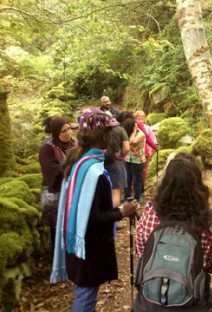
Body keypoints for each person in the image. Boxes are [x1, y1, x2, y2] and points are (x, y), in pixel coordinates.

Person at [50, 109, 138, 312]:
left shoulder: (78, 162)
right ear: (103, 135)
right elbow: (92, 218)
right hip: (89, 248)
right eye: (109, 131)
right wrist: (121, 212)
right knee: (86, 295)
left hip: (78, 242)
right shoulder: (93, 172)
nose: (111, 135)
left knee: (85, 292)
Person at [134, 153, 212, 311]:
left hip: (152, 301)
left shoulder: (151, 213)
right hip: (191, 303)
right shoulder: (209, 221)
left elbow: (142, 251)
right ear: (198, 184)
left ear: (166, 182)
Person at [39, 116, 76, 253]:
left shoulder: (73, 144)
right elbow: (52, 173)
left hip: (73, 194)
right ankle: (60, 265)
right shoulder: (47, 149)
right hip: (57, 195)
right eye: (63, 131)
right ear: (55, 132)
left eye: (69, 129)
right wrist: (71, 164)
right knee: (58, 230)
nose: (67, 133)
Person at [104, 111, 130, 208]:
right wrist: (122, 155)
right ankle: (113, 218)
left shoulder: (100, 131)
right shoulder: (120, 130)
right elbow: (127, 147)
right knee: (115, 191)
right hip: (115, 162)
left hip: (101, 161)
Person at [133, 110, 158, 194]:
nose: (141, 120)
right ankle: (135, 185)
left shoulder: (147, 128)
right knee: (135, 169)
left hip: (146, 151)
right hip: (136, 151)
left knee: (144, 169)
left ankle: (142, 186)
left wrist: (155, 145)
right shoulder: (133, 128)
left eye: (142, 118)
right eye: (139, 118)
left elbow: (152, 138)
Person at [122, 118, 146, 202]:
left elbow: (132, 141)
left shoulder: (140, 134)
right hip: (128, 159)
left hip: (137, 160)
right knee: (127, 179)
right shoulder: (128, 133)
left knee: (137, 180)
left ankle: (137, 198)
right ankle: (127, 196)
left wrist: (135, 130)